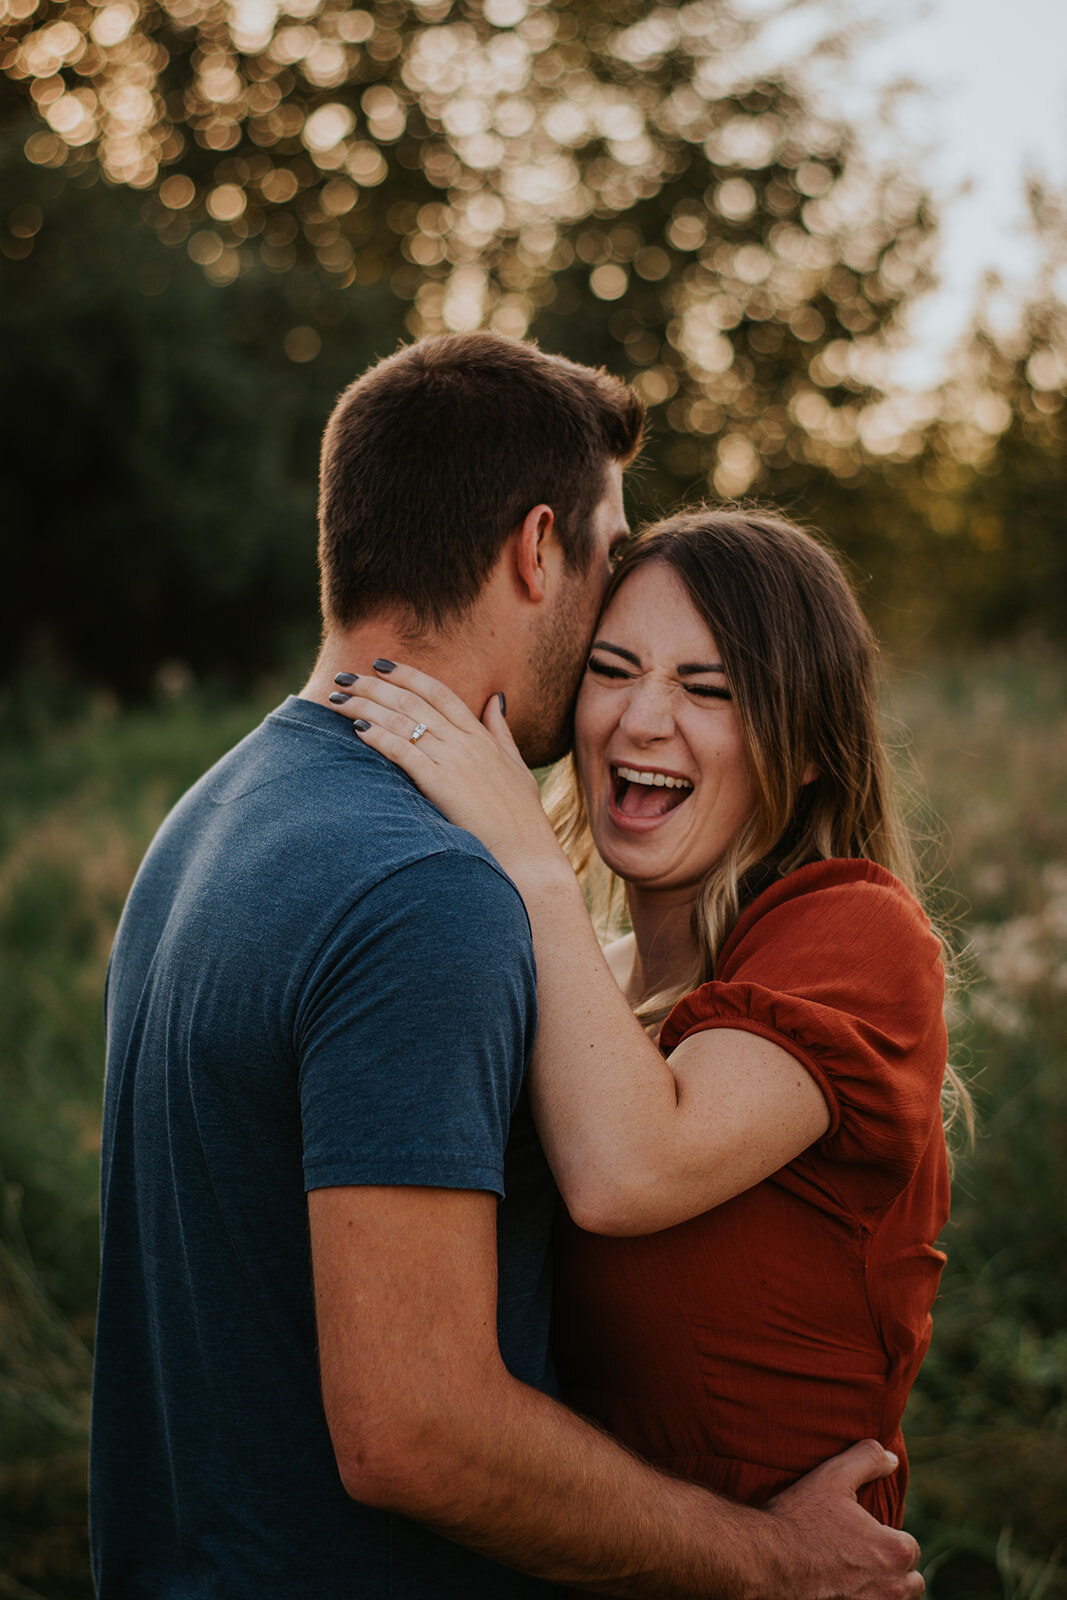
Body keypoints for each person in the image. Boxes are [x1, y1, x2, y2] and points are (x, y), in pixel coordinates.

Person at [92, 332, 925, 1600]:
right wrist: (765, 1558)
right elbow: (415, 1425)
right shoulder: (429, 891)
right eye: (612, 642)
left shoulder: (213, 814)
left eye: (706, 685)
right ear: (540, 551)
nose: (642, 713)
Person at [326, 504, 958, 1565]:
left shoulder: (854, 930)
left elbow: (623, 1170)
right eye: (612, 671)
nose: (638, 722)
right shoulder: (594, 981)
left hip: (798, 1578)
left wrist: (528, 854)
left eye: (706, 689)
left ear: (803, 749)